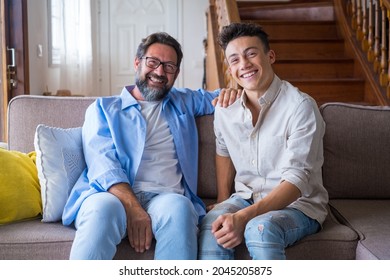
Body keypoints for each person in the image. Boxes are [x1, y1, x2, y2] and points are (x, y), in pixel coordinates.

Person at [62, 32, 239, 260]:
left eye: (169, 66)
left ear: (176, 73)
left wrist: (232, 92)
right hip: (110, 195)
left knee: (181, 209)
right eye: (153, 62)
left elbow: (221, 97)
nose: (159, 72)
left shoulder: (183, 100)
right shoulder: (103, 109)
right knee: (103, 211)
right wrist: (134, 208)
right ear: (138, 63)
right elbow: (102, 165)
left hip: (166, 197)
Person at [198, 22, 329, 260]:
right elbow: (223, 150)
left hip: (298, 205)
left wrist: (244, 217)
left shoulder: (300, 107)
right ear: (229, 69)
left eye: (251, 54)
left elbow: (296, 181)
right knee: (211, 226)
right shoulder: (225, 109)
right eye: (235, 59)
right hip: (245, 197)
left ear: (270, 56)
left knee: (260, 229)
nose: (244, 64)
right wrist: (222, 200)